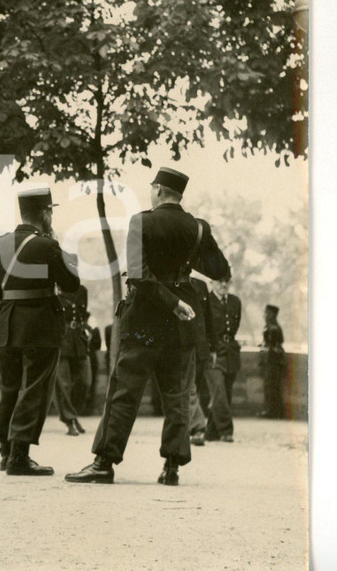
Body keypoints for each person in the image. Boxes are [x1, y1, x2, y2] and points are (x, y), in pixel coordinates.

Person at [66, 167, 229, 486]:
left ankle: (104, 463)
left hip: (144, 318)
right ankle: (172, 467)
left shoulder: (141, 221)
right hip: (183, 322)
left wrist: (170, 300)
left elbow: (139, 276)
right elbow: (218, 268)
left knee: (124, 392)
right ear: (179, 195)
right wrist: (187, 261)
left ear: (158, 190)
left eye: (152, 188)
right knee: (178, 395)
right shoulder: (198, 227)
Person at [0, 187, 80, 475]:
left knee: (8, 387)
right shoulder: (48, 246)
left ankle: (5, 451)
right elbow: (71, 284)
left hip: (7, 325)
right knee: (35, 388)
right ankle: (19, 457)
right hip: (40, 326)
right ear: (46, 213)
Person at [204, 278, 238, 442]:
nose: (224, 284)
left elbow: (233, 327)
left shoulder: (235, 302)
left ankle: (212, 432)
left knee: (226, 392)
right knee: (218, 391)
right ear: (211, 282)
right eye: (219, 281)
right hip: (212, 353)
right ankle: (226, 430)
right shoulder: (206, 301)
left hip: (231, 352)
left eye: (227, 281)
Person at [55, 286, 91, 436]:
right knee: (63, 384)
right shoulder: (53, 290)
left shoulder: (82, 290)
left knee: (85, 381)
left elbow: (83, 314)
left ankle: (73, 414)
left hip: (78, 339)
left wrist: (87, 329)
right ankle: (69, 420)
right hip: (60, 338)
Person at [185, 276, 214, 447]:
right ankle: (198, 427)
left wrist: (214, 348)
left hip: (200, 347)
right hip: (181, 345)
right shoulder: (169, 281)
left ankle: (188, 428)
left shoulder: (200, 285)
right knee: (190, 387)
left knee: (193, 386)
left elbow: (208, 319)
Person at [259, 304, 286, 418]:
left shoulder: (273, 328)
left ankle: (271, 411)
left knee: (271, 386)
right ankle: (275, 411)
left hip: (272, 361)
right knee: (274, 386)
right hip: (274, 360)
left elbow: (273, 344)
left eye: (267, 313)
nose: (264, 315)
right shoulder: (273, 326)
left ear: (272, 315)